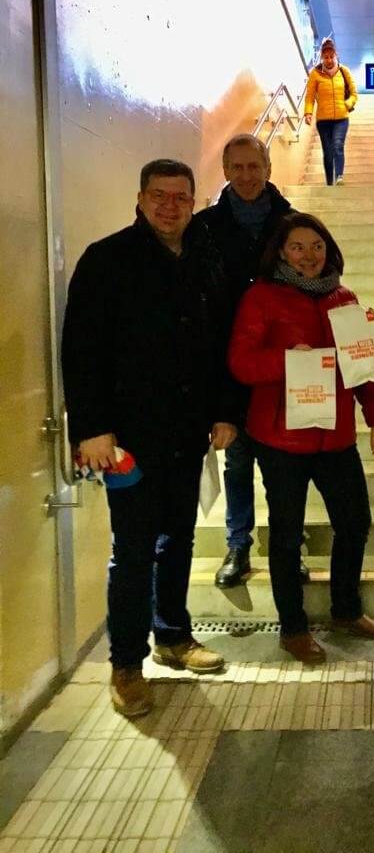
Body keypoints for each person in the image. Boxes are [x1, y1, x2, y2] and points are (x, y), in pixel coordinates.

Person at [62, 159, 240, 719]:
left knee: (178, 538)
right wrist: (91, 427)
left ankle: (173, 636)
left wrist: (225, 411)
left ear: (194, 202)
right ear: (140, 199)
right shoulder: (106, 259)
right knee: (134, 549)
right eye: (159, 196)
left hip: (187, 432)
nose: (170, 206)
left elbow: (221, 344)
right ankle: (126, 665)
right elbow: (81, 350)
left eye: (181, 197)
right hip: (127, 440)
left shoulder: (206, 259)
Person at [228, 212, 374, 663]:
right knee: (286, 535)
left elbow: (360, 366)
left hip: (335, 436)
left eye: (316, 246)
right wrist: (288, 358)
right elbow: (241, 362)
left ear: (328, 249)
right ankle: (293, 628)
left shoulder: (345, 298)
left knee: (355, 522)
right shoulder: (262, 296)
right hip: (281, 438)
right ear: (281, 252)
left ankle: (346, 610)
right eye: (297, 247)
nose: (308, 255)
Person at [195, 134, 297, 589]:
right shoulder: (204, 227)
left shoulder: (292, 222)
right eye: (236, 167)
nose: (246, 175)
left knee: (283, 468)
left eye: (254, 166)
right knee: (238, 463)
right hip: (228, 364)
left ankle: (287, 549)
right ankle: (238, 544)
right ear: (225, 170)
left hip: (284, 364)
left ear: (268, 168)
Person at [303, 37, 357, 186]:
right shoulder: (315, 74)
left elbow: (354, 93)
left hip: (341, 118)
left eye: (331, 56)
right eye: (326, 57)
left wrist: (347, 104)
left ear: (336, 55)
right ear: (322, 57)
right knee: (328, 152)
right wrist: (308, 113)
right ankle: (329, 183)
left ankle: (339, 176)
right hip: (323, 120)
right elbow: (309, 96)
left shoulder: (344, 71)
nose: (329, 60)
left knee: (338, 146)